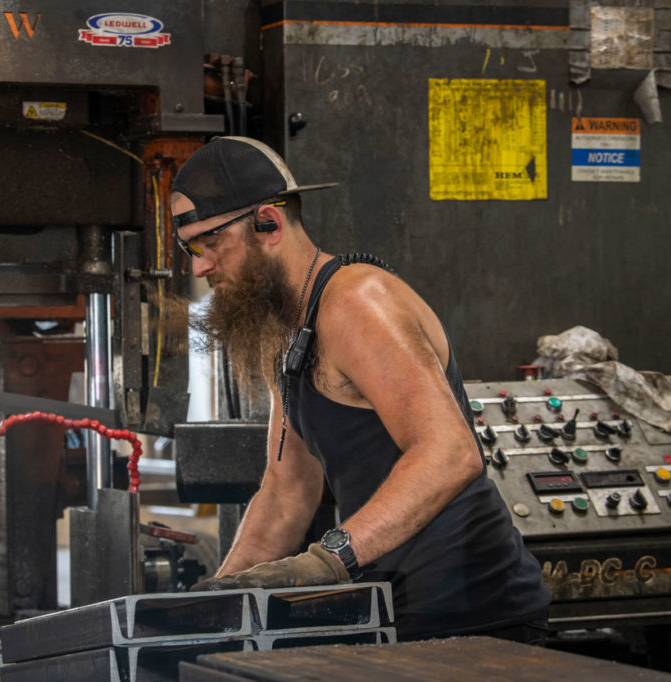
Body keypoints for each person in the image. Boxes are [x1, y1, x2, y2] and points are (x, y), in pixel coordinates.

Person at [172, 136, 550, 642]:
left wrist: (330, 560)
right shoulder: (283, 329)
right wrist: (217, 602)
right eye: (188, 249)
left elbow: (451, 453)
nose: (198, 266)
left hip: (474, 613)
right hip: (394, 610)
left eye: (209, 242)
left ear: (269, 222)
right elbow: (288, 492)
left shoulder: (357, 302)